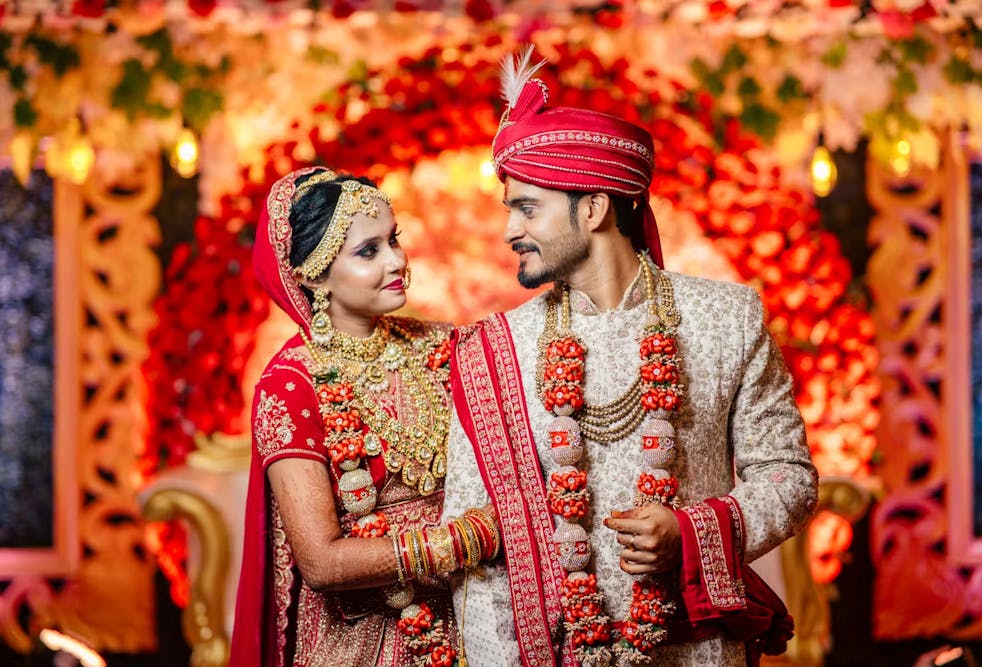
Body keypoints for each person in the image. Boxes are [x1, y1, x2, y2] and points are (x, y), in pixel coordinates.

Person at [443, 48, 819, 666]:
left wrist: (691, 533)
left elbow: (789, 478)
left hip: (695, 652)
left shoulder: (725, 319)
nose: (510, 229)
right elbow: (478, 539)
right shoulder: (496, 348)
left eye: (527, 207)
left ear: (592, 208)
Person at [232, 167, 501, 667]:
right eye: (368, 251)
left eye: (394, 240)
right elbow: (320, 561)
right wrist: (462, 540)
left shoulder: (440, 345)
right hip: (364, 639)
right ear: (312, 273)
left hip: (476, 615)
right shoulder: (290, 386)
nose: (397, 260)